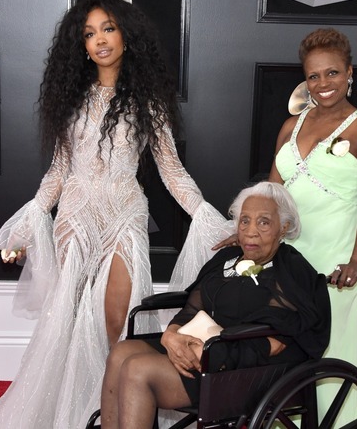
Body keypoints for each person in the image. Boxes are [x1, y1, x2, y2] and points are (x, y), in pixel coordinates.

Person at [0, 0, 219, 428]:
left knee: (117, 319)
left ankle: (120, 410)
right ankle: (70, 412)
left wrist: (205, 215)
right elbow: (58, 170)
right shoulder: (71, 99)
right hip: (75, 215)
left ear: (127, 35)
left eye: (108, 28)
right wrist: (28, 224)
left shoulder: (148, 102)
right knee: (68, 321)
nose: (100, 40)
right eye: (89, 34)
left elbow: (171, 169)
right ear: (82, 46)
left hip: (124, 215)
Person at [215, 27, 357, 426]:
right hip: (286, 255)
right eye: (313, 75)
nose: (323, 83)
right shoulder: (290, 126)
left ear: (349, 73)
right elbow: (270, 197)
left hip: (334, 258)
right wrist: (245, 236)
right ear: (305, 80)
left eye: (332, 73)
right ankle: (281, 418)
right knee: (283, 343)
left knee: (329, 346)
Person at [99, 181, 331, 428]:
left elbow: (276, 341)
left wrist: (213, 354)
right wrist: (171, 335)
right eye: (244, 221)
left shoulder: (291, 269)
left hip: (244, 366)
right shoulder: (226, 259)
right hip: (209, 347)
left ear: (283, 227)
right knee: (120, 353)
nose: (251, 231)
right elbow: (192, 308)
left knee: (137, 369)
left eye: (263, 222)